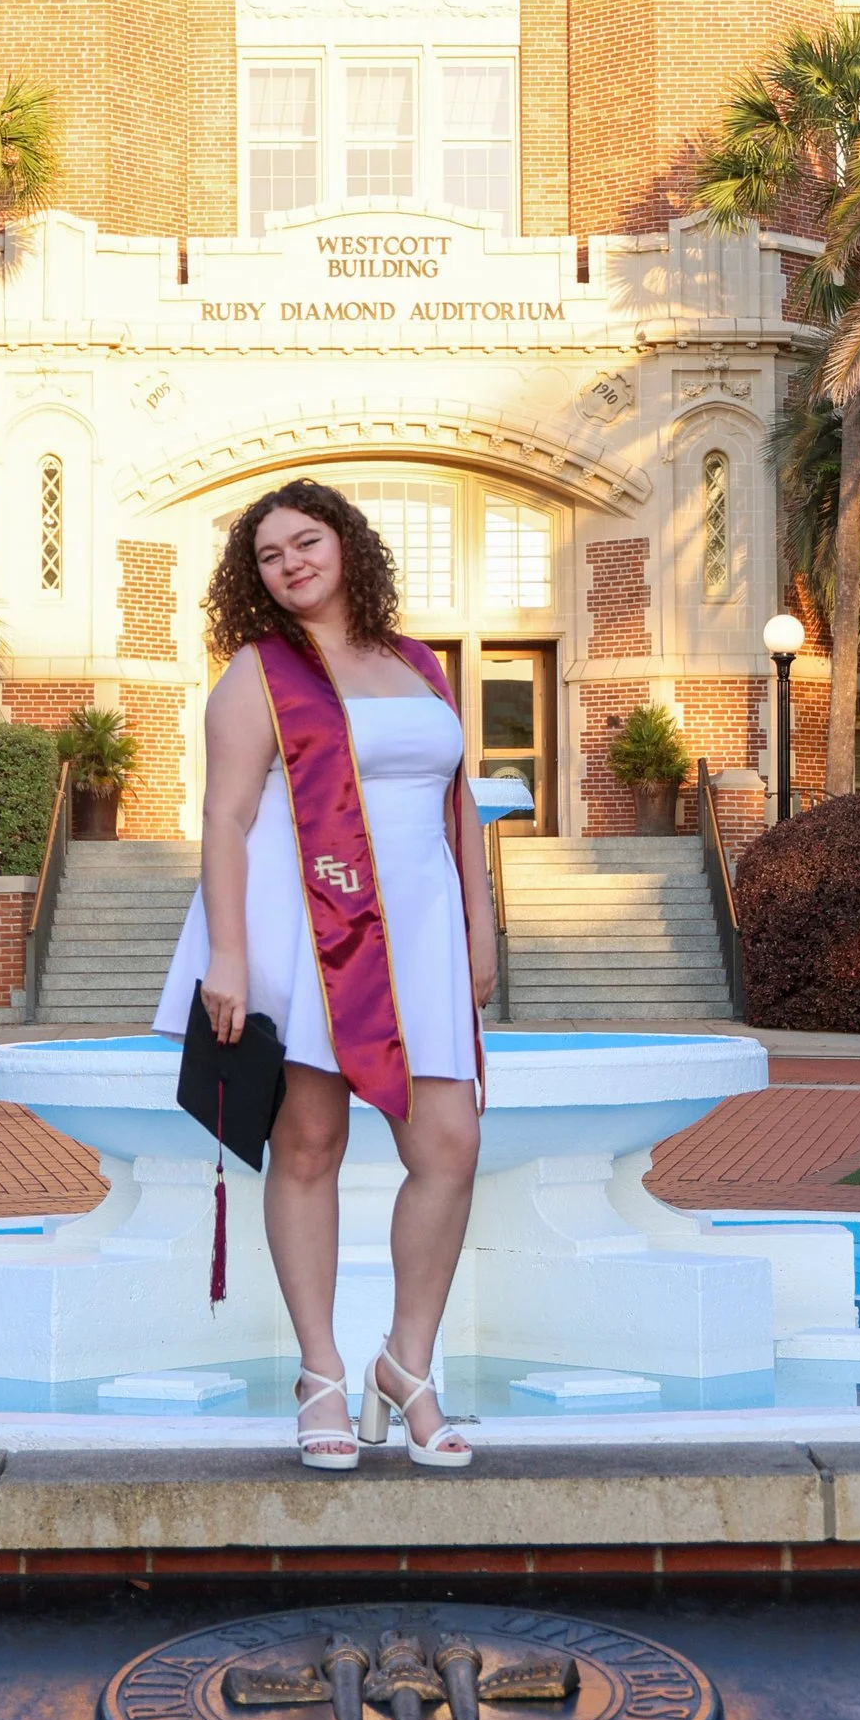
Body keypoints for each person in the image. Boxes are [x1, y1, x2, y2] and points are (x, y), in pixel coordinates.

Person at [155, 478, 497, 1471]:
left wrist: (480, 930)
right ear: (252, 578)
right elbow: (223, 817)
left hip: (421, 932)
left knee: (450, 1144)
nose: (292, 562)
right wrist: (227, 953)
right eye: (269, 555)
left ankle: (408, 1362)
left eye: (306, 541)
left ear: (347, 544)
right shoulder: (257, 676)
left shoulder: (418, 663)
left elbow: (456, 806)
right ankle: (320, 1373)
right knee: (308, 1145)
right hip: (304, 930)